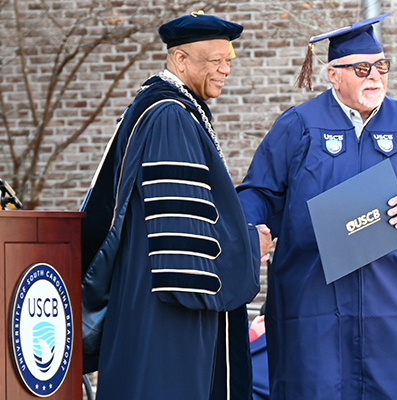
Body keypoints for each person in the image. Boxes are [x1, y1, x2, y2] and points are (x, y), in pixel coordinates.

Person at [237, 12, 397, 400]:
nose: (375, 77)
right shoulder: (300, 125)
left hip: (394, 294)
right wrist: (251, 235)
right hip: (314, 291)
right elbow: (259, 192)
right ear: (334, 75)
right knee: (316, 386)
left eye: (382, 66)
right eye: (362, 68)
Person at [79, 12, 273, 400]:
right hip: (167, 314)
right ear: (180, 60)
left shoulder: (172, 107)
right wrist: (252, 248)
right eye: (213, 60)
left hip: (150, 295)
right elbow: (184, 237)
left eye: (228, 59)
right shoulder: (170, 115)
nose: (224, 69)